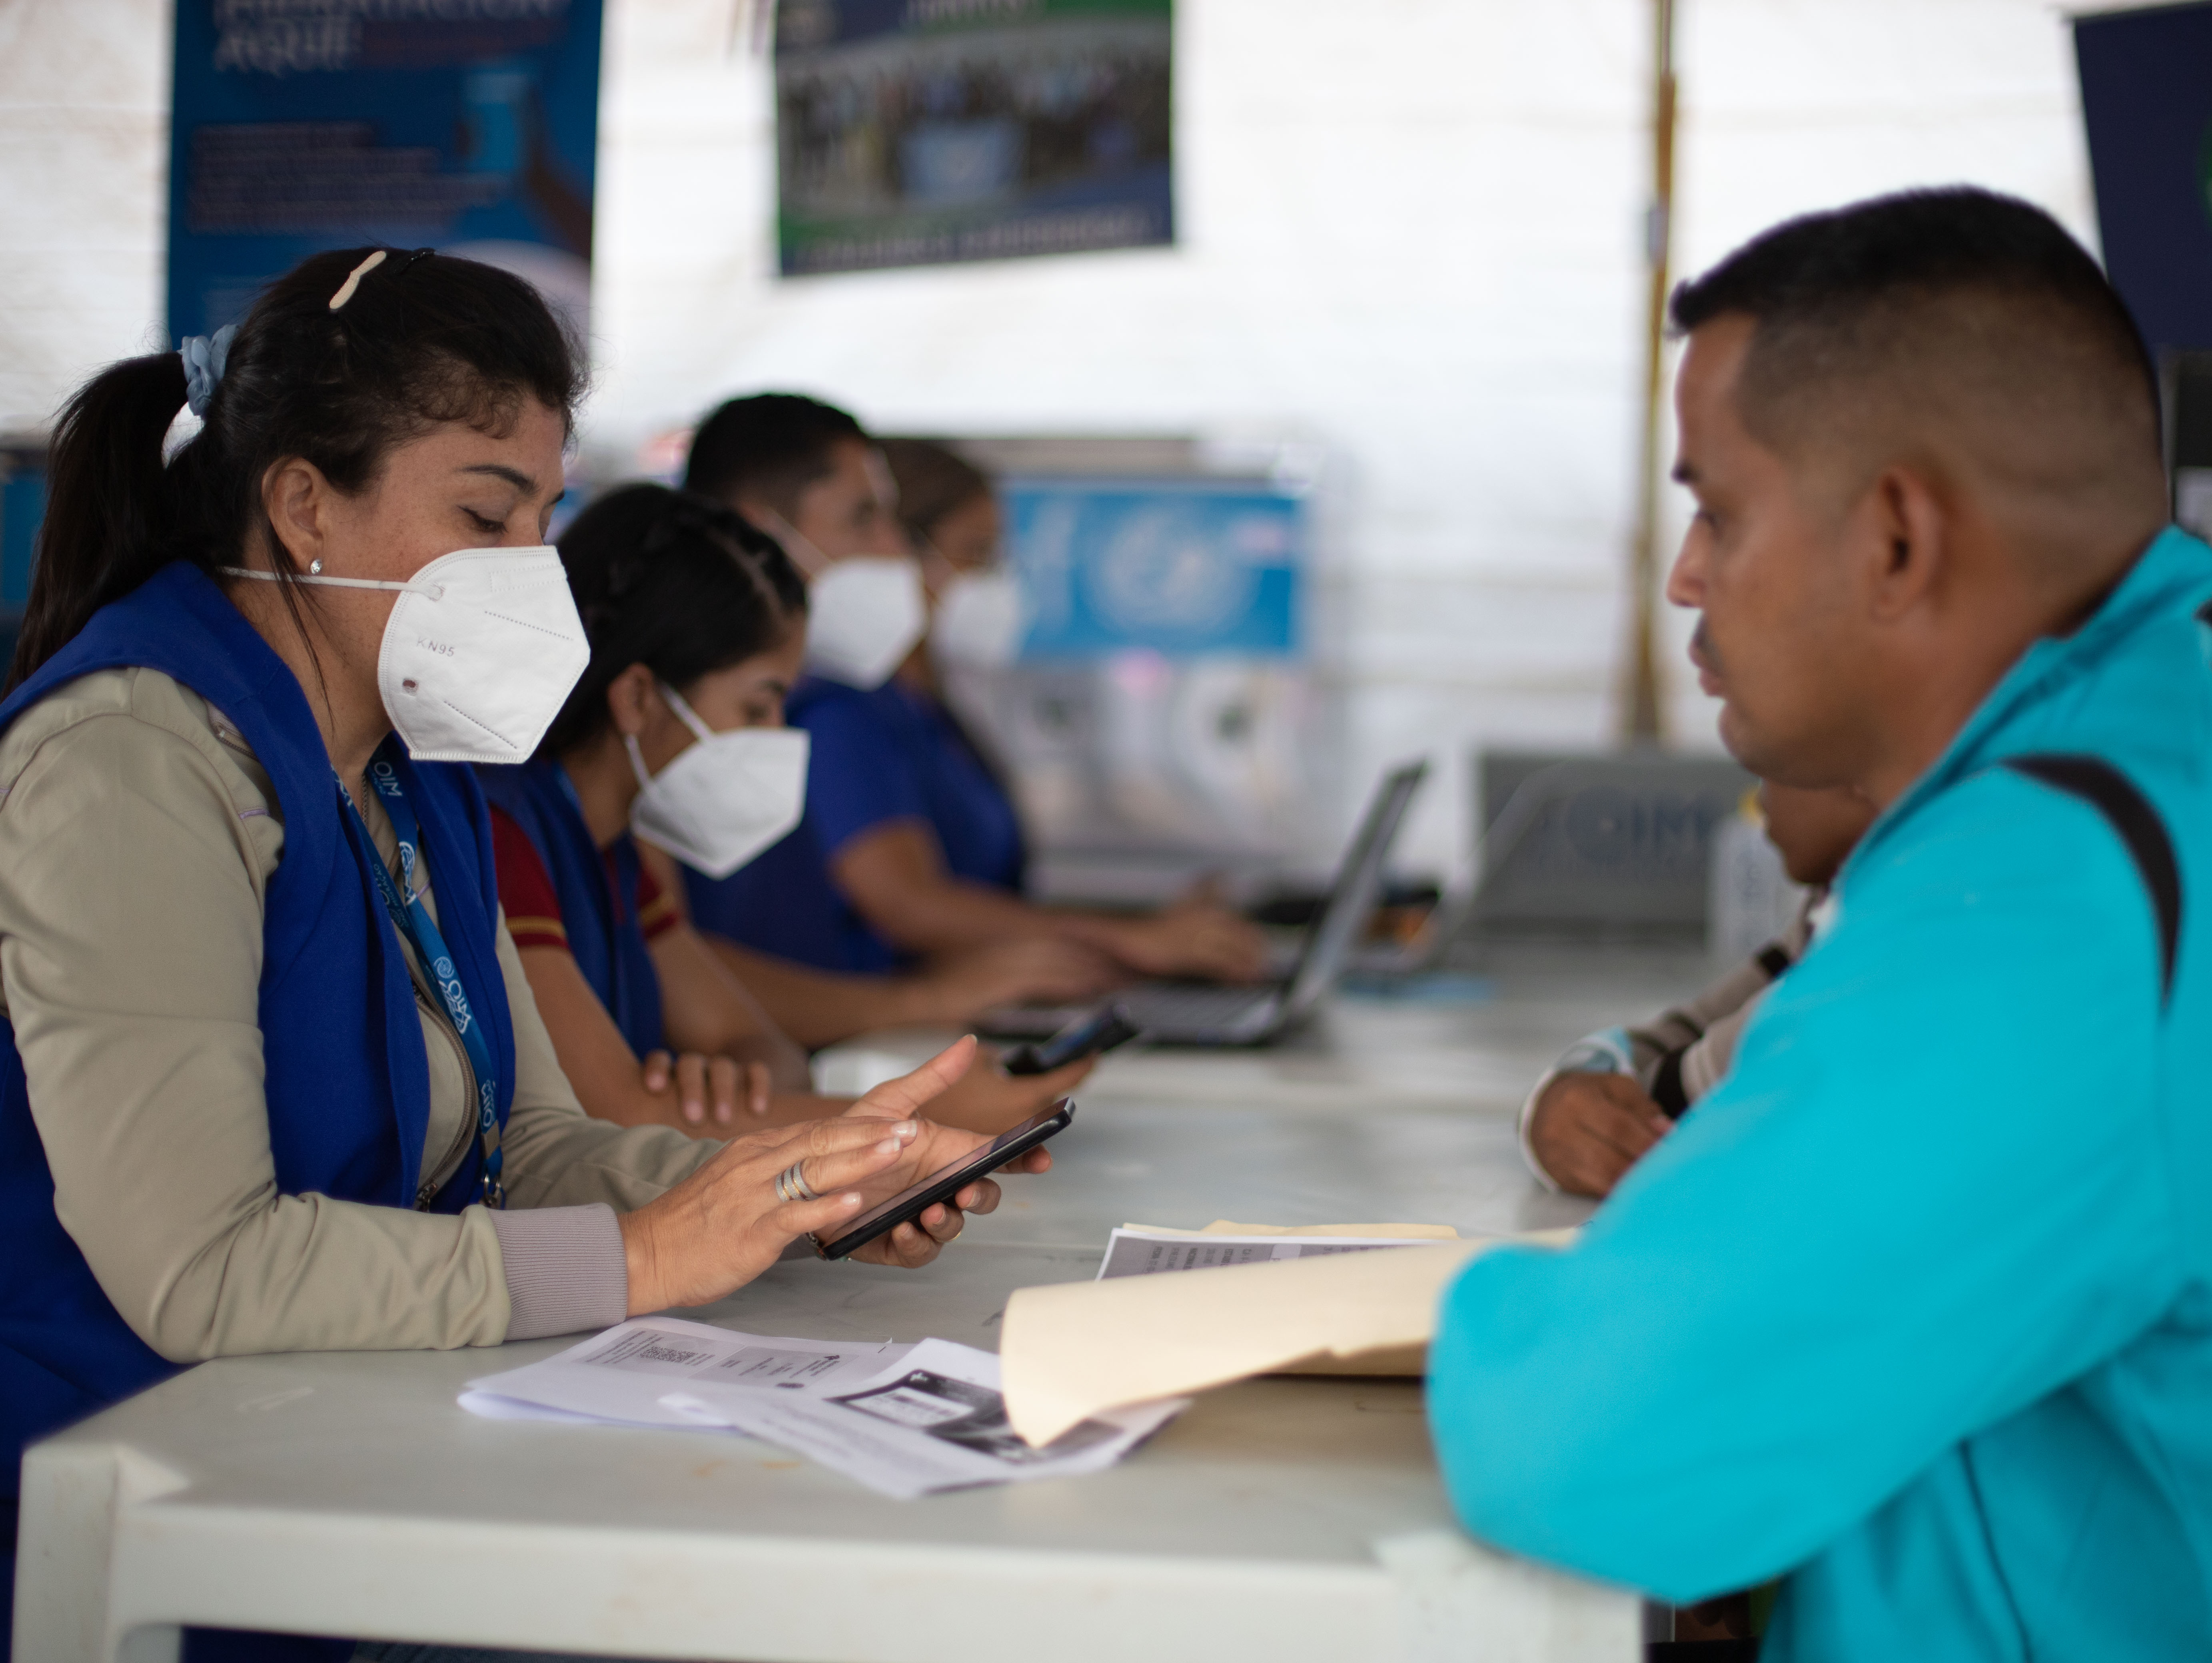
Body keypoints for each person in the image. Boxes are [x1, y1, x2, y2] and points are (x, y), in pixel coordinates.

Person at [1427, 189, 2212, 1659]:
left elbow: (1586, 1446)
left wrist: (1444, 1311)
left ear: (1896, 536)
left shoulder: (2056, 902)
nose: (1685, 574)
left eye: (1717, 511)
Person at [0, 249, 1043, 1660]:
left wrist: (793, 1187)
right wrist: (646, 1253)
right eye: (485, 515)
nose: (528, 573)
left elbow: (530, 1144)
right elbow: (204, 1272)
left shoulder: (416, 768)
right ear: (303, 501)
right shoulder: (135, 758)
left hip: (339, 1447)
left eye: (544, 520)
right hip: (135, 1493)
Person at [485, 482, 1091, 1134]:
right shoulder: (507, 833)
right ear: (637, 698)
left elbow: (766, 1050)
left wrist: (735, 1082)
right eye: (756, 706)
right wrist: (917, 1115)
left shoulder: (612, 851)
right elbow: (620, 1112)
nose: (778, 734)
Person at [675, 397, 1267, 1014]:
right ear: (759, 529)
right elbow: (906, 906)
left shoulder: (906, 708)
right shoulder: (831, 710)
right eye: (864, 520)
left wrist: (1132, 938)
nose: (891, 551)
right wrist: (1130, 941)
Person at [1521, 781, 1873, 1198]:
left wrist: (1570, 1111)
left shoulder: (1883, 935)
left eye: (1780, 764)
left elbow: (1673, 1105)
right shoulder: (1829, 904)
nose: (1759, 794)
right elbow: (1686, 1028)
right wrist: (1559, 1103)